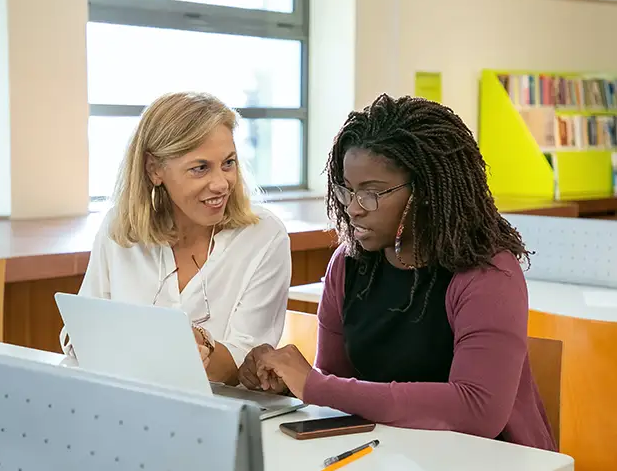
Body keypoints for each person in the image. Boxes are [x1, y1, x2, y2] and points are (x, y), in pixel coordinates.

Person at [238, 94, 556, 451]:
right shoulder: (348, 264)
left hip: (491, 457)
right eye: (347, 190)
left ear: (426, 191)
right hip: (389, 453)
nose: (354, 209)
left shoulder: (487, 273)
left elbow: (478, 410)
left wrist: (314, 385)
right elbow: (337, 385)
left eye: (372, 193)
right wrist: (288, 382)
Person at [60, 92, 291, 386]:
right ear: (154, 169)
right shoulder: (120, 227)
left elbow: (246, 366)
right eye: (200, 168)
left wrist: (202, 348)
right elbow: (79, 335)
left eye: (229, 163)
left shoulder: (264, 236)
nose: (221, 183)